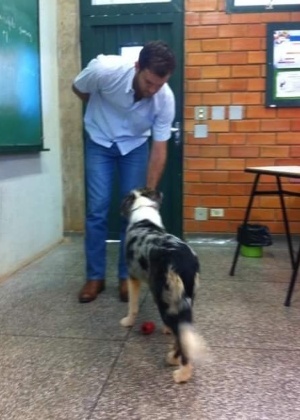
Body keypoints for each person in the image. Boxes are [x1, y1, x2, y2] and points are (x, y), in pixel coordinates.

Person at [72, 40, 176, 303]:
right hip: (100, 142)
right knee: (97, 209)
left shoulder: (164, 98)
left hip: (135, 146)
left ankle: (125, 277)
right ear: (137, 66)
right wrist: (99, 106)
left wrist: (149, 194)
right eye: (148, 82)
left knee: (133, 212)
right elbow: (78, 87)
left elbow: (160, 147)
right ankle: (94, 277)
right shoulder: (106, 70)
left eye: (159, 85)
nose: (153, 90)